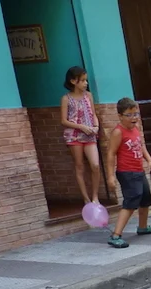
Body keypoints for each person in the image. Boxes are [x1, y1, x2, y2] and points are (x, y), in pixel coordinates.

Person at [105, 98, 151, 249]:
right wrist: (110, 176)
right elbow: (111, 154)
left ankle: (143, 227)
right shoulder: (118, 132)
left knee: (145, 199)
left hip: (139, 171)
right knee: (131, 202)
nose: (133, 118)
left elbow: (141, 146)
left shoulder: (135, 129)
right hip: (127, 172)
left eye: (135, 114)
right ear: (120, 116)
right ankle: (116, 235)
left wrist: (149, 160)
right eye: (129, 115)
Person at [60, 66, 100, 208]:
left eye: (86, 80)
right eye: (82, 80)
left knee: (95, 165)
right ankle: (86, 198)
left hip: (89, 135)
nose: (85, 83)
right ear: (73, 81)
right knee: (79, 166)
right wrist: (81, 127)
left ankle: (95, 196)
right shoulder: (66, 98)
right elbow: (64, 120)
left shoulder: (88, 96)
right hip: (74, 136)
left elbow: (93, 114)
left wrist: (96, 126)